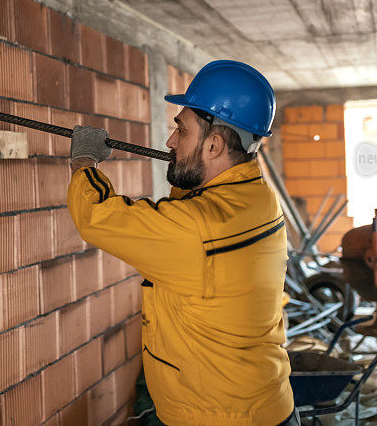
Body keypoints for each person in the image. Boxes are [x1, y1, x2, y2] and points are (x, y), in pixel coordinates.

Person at [67, 60, 298, 425]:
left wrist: (84, 161)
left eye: (181, 132)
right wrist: (187, 161)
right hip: (258, 405)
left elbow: (98, 216)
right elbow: (194, 202)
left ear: (214, 146)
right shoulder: (254, 195)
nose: (169, 142)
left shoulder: (197, 230)